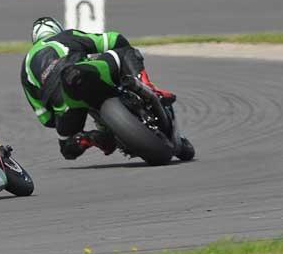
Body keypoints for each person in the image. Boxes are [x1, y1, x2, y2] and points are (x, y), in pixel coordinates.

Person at [21, 17, 175, 160]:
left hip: (65, 105)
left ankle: (90, 139)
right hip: (82, 72)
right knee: (124, 52)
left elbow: (46, 119)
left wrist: (62, 113)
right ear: (57, 29)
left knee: (67, 148)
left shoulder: (25, 68)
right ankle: (148, 87)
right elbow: (114, 39)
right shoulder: (65, 36)